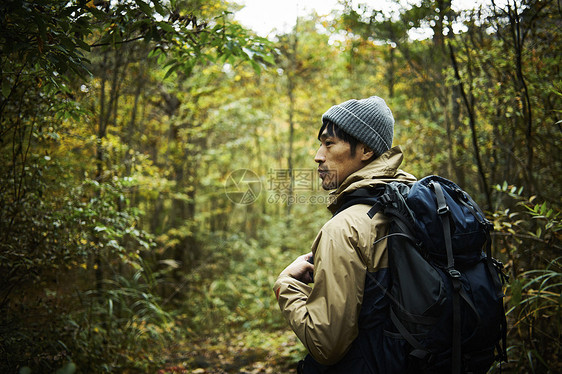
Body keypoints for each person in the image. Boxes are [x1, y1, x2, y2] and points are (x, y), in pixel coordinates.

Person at [273, 96, 417, 373]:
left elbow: (326, 346)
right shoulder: (410, 205)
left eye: (329, 143)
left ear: (365, 150)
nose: (318, 155)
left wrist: (286, 284)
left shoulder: (345, 228)